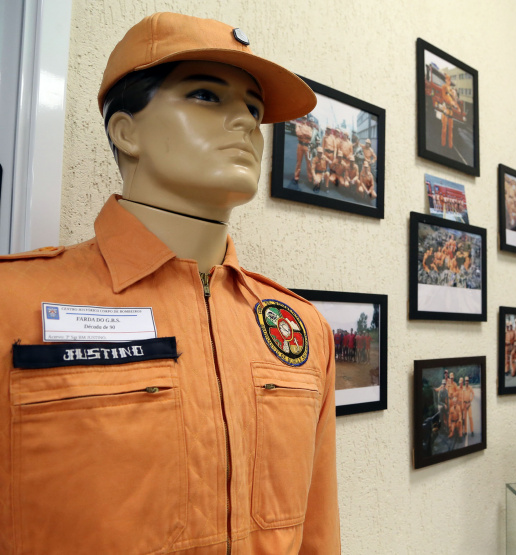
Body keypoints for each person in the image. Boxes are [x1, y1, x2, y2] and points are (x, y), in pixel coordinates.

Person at [0, 13, 339, 554]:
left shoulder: (303, 331)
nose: (246, 124)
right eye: (206, 95)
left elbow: (316, 536)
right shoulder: (12, 306)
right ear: (125, 131)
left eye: (253, 109)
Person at [292, 116, 315, 185]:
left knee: (308, 163)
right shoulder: (298, 125)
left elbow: (310, 135)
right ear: (301, 119)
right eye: (302, 118)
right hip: (300, 145)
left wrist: (303, 132)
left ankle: (310, 179)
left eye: (305, 119)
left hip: (307, 147)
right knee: (298, 163)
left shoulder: (309, 127)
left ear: (306, 120)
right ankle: (296, 178)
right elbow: (298, 133)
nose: (303, 120)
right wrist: (305, 134)